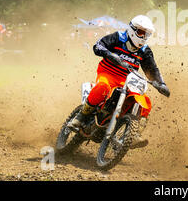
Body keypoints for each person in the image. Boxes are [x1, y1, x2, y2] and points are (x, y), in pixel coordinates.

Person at [69, 15, 170, 149]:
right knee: (103, 87)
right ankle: (81, 116)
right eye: (141, 32)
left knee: (145, 101)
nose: (143, 36)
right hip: (107, 73)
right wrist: (110, 54)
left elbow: (152, 70)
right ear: (132, 29)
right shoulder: (118, 37)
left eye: (147, 34)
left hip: (126, 80)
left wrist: (161, 84)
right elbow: (98, 46)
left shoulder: (144, 51)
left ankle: (133, 134)